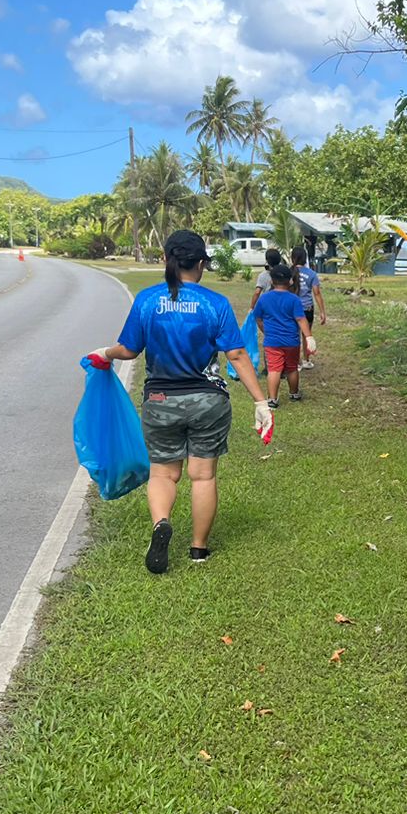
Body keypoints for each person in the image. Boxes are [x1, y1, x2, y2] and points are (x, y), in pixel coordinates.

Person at [87, 230, 273, 574]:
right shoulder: (215, 303)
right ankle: (198, 550)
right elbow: (236, 354)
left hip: (160, 400)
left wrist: (105, 353)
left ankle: (161, 524)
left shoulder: (146, 301)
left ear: (165, 261)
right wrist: (261, 402)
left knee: (164, 473)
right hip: (208, 401)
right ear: (201, 264)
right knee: (202, 477)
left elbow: (129, 349)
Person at [253, 263, 313, 405]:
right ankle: (294, 393)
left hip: (272, 341)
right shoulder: (294, 300)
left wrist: (266, 331)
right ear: (290, 281)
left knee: (274, 369)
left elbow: (258, 318)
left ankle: (272, 399)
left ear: (272, 281)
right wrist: (309, 336)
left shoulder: (264, 299)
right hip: (291, 341)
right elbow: (301, 319)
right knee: (292, 368)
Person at [290, 244, 327, 369]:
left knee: (293, 336)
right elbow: (316, 293)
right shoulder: (311, 274)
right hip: (307, 308)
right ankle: (306, 360)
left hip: (291, 309)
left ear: (292, 258)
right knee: (306, 335)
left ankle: (296, 362)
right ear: (305, 258)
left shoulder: (289, 272)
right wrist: (322, 312)